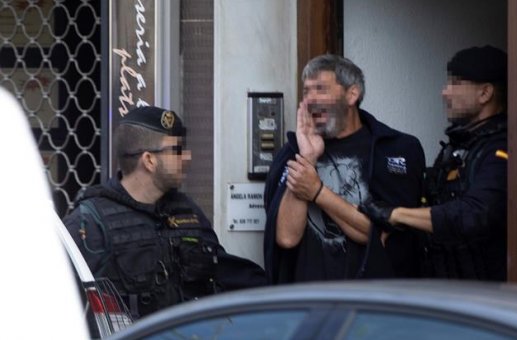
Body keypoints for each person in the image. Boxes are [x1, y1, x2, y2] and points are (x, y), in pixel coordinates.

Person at [63, 106, 265, 319]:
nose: (187, 157)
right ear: (149, 160)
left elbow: (225, 272)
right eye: (177, 150)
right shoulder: (91, 222)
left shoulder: (186, 211)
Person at [263, 54, 426, 284]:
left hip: (373, 304)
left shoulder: (395, 149)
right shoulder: (291, 153)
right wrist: (307, 159)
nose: (310, 99)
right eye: (306, 91)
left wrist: (318, 192)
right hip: (308, 303)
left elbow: (379, 234)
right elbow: (287, 238)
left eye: (320, 89)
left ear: (352, 94)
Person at [360, 45, 508, 281]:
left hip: (485, 295)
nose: (445, 93)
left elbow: (475, 213)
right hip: (446, 288)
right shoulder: (458, 147)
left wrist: (396, 215)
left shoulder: (499, 150)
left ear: (485, 93)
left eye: (456, 83)